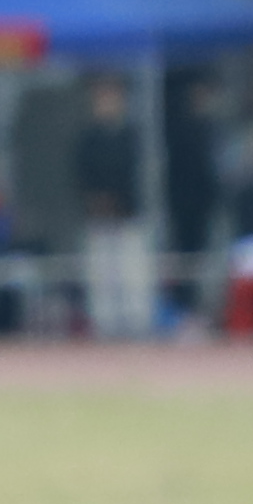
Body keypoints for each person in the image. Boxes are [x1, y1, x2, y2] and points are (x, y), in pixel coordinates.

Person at [71, 74, 153, 338]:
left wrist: (121, 201)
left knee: (132, 272)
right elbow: (81, 175)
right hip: (98, 216)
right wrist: (97, 200)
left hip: (128, 214)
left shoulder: (131, 136)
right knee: (101, 275)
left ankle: (136, 325)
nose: (107, 103)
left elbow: (136, 175)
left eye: (113, 98)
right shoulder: (88, 139)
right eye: (102, 98)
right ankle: (105, 327)